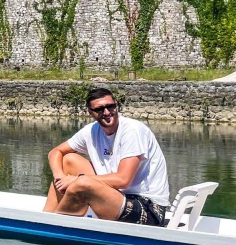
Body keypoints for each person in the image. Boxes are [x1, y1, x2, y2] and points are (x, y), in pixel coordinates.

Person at [43, 87, 170, 226]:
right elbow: (55, 152)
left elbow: (123, 180)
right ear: (90, 112)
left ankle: (56, 227)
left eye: (110, 106)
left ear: (116, 105)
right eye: (99, 109)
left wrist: (75, 180)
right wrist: (60, 177)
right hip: (116, 196)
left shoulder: (132, 131)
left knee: (82, 183)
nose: (107, 112)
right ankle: (46, 218)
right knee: (68, 160)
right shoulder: (91, 131)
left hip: (149, 209)